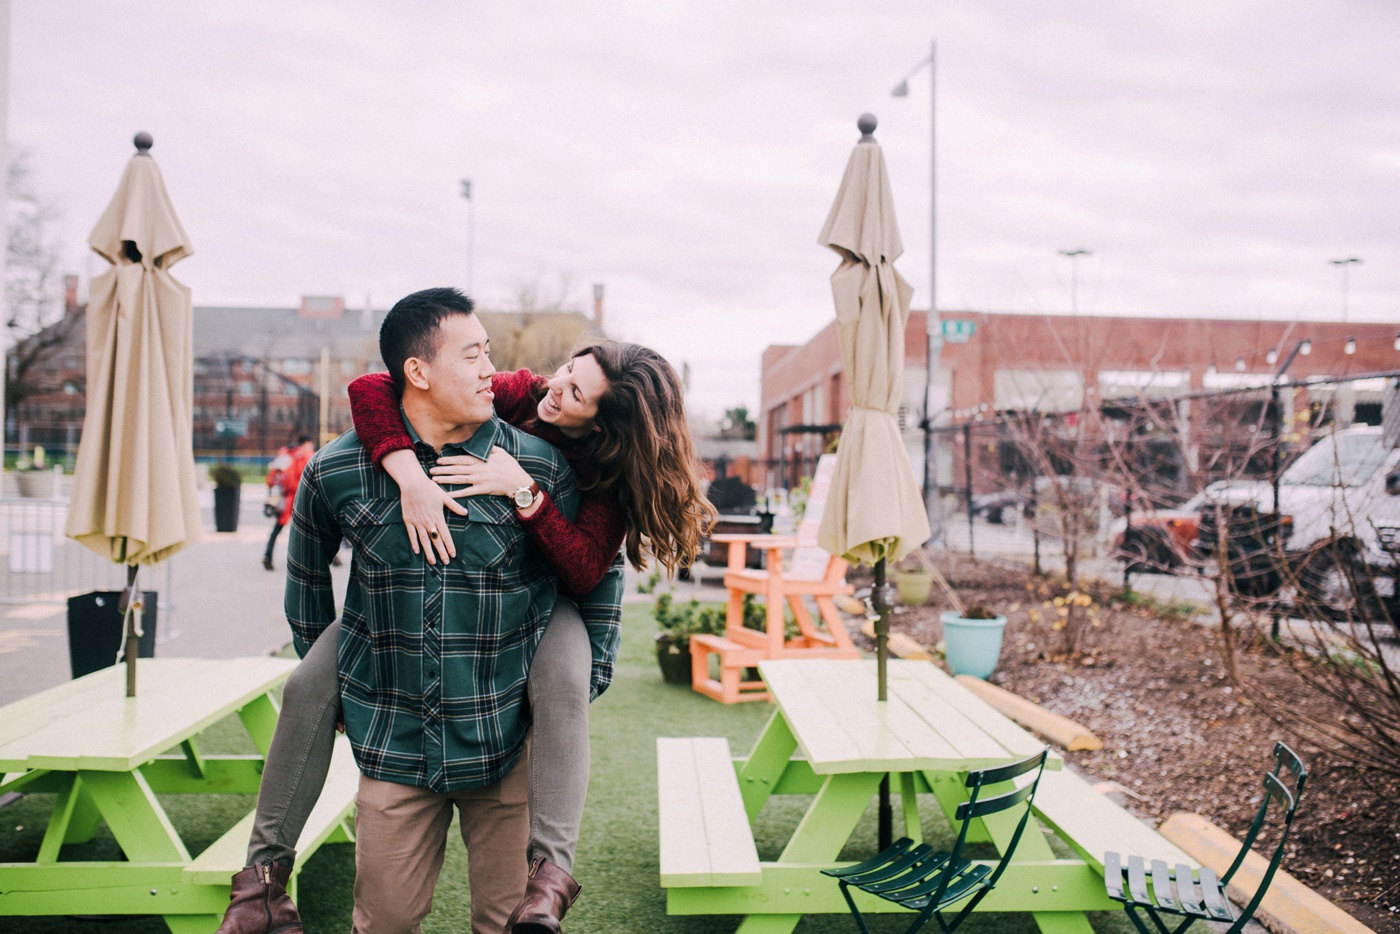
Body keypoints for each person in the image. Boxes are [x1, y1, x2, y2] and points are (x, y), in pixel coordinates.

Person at [215, 287, 619, 934]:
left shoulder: (537, 463)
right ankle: (261, 885)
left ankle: (550, 876)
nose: (492, 369)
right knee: (382, 924)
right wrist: (335, 682)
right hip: (395, 749)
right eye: (473, 355)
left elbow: (597, 573)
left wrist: (581, 678)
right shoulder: (336, 469)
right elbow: (307, 577)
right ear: (419, 372)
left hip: (504, 741)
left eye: (490, 353)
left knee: (506, 924)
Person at [345, 338, 716, 931]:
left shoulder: (606, 469)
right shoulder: (528, 391)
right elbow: (370, 387)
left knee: (565, 686)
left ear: (605, 424)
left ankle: (550, 875)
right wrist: (409, 474)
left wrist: (523, 490)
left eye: (576, 394)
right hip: (476, 597)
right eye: (567, 371)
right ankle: (261, 879)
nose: (556, 390)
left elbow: (584, 570)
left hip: (550, 605)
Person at [261, 436, 314, 571]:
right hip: (298, 498)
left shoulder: (283, 454)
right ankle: (306, 562)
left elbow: (272, 478)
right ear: (306, 444)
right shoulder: (305, 457)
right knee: (309, 530)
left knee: (277, 529)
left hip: (282, 499)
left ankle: (268, 554)